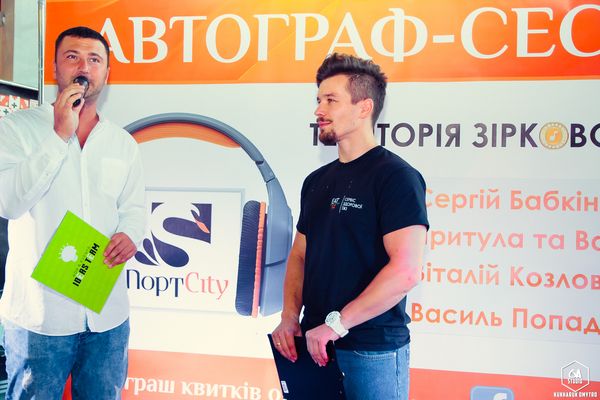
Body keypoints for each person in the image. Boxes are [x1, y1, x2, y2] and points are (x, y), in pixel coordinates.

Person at [271, 53, 429, 400]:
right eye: (318, 100)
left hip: (371, 352)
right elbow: (299, 255)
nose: (319, 110)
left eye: (331, 100)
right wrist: (289, 316)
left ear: (363, 108)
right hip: (314, 346)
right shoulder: (316, 181)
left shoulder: (397, 177)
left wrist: (336, 325)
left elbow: (406, 271)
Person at [0, 26, 146, 399]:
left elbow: (133, 207)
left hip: (107, 316)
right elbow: (9, 203)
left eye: (94, 59)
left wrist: (130, 233)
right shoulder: (15, 129)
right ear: (54, 68)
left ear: (107, 73)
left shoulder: (122, 143)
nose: (84, 67)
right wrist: (58, 136)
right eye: (72, 57)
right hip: (39, 318)